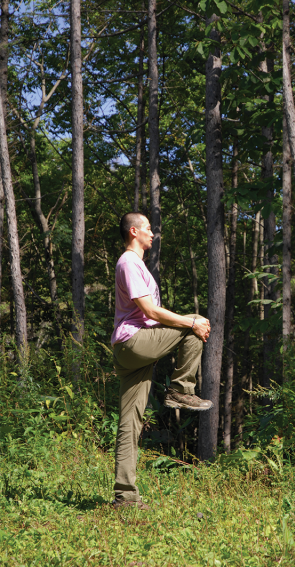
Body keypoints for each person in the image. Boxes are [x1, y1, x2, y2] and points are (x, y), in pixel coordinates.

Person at [111, 212, 213, 510]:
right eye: (148, 228)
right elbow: (151, 311)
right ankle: (181, 390)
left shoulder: (136, 265)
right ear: (134, 231)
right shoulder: (129, 262)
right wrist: (189, 323)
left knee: (130, 421)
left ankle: (125, 497)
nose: (152, 233)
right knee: (195, 322)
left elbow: (150, 314)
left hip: (133, 348)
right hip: (133, 343)